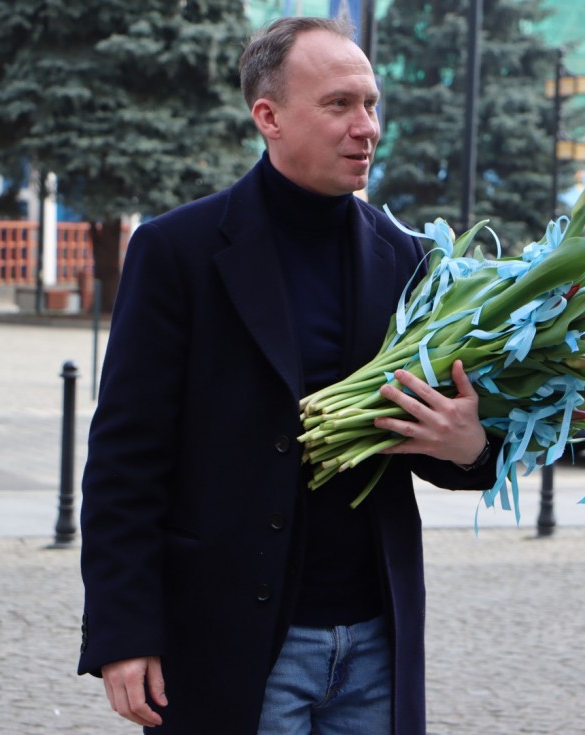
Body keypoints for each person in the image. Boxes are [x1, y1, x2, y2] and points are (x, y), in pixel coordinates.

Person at [76, 16, 499, 734]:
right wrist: (124, 630)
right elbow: (126, 458)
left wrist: (469, 446)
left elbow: (436, 446)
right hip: (232, 639)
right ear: (268, 117)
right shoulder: (176, 251)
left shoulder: (409, 261)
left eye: (371, 104)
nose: (366, 127)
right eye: (339, 104)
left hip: (376, 641)